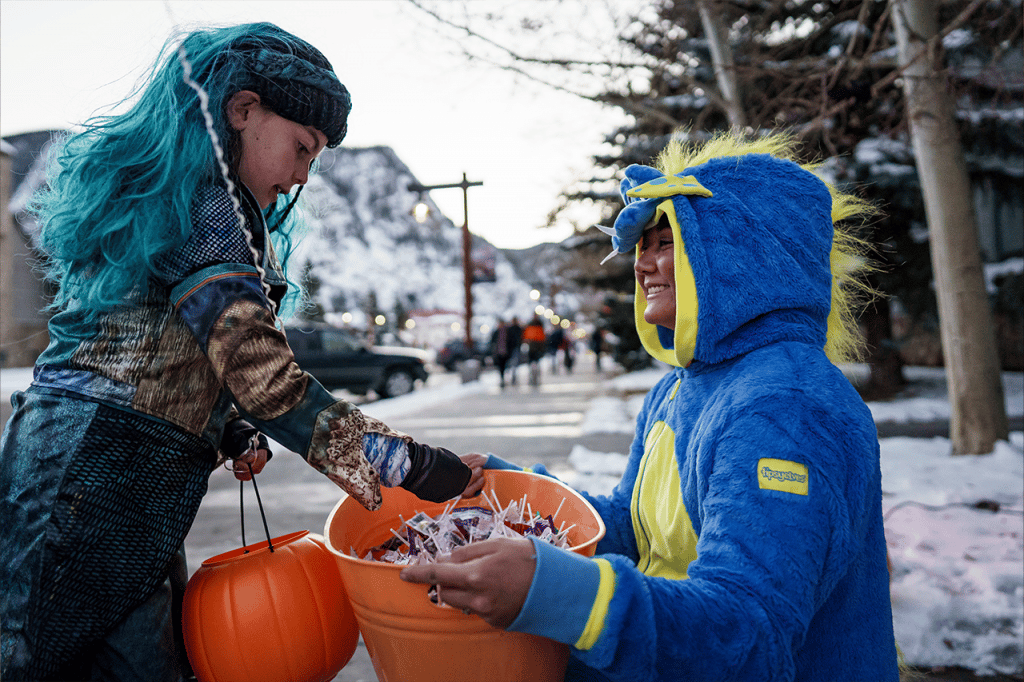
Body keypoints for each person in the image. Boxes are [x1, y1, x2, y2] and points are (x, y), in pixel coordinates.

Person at [0, 23, 470, 682]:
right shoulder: (205, 207)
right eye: (303, 147)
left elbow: (173, 356)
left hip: (125, 480)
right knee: (34, 657)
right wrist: (398, 460)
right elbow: (257, 368)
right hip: (87, 471)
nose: (304, 174)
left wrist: (227, 425)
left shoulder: (207, 208)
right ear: (243, 109)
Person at [404, 133, 899, 681]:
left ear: (745, 254)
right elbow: (632, 526)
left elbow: (753, 633)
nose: (643, 266)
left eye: (670, 242)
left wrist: (564, 596)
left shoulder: (788, 408)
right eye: (643, 245)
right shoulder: (680, 388)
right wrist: (514, 490)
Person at [521, 315, 547, 386]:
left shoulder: (537, 326)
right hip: (533, 348)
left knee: (536, 364)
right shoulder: (535, 326)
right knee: (532, 364)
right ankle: (532, 378)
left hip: (536, 348)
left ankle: (535, 378)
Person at [490, 318, 514, 388]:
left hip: (506, 352)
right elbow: (492, 341)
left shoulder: (508, 332)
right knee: (501, 366)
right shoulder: (496, 332)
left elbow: (511, 341)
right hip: (499, 352)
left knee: (506, 365)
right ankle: (502, 378)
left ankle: (505, 377)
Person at [506, 316, 523, 385]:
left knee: (514, 363)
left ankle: (514, 375)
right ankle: (513, 375)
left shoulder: (517, 329)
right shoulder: (512, 329)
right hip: (513, 348)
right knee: (513, 363)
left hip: (515, 348)